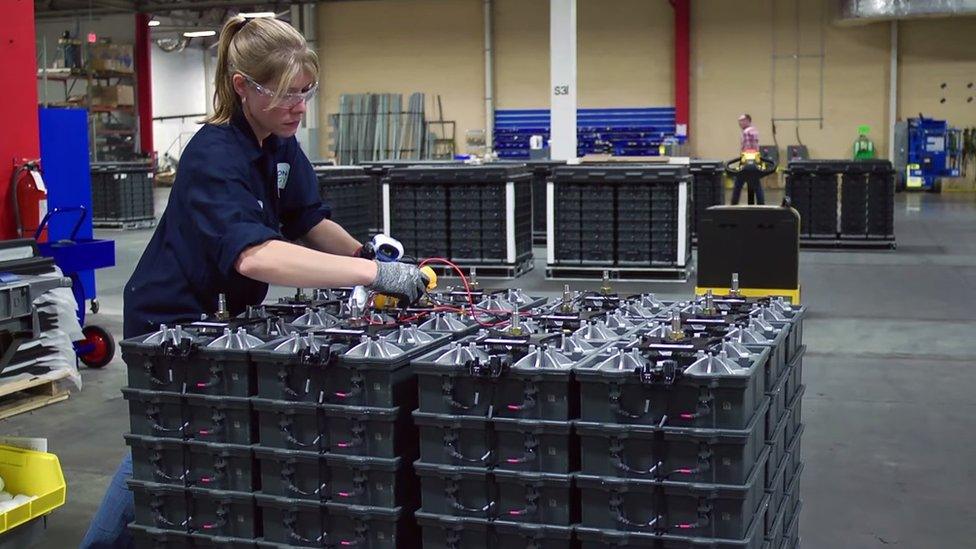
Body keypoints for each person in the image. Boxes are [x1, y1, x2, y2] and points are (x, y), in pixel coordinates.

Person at [80, 15, 428, 548]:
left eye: (307, 92)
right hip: (172, 325)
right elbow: (255, 257)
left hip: (225, 319)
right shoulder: (212, 155)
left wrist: (363, 252)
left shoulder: (278, 142)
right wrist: (374, 273)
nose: (300, 108)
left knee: (209, 444)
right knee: (161, 448)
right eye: (288, 95)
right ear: (243, 86)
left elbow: (308, 219)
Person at [731, 113, 766, 205]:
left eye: (742, 121)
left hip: (748, 157)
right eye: (739, 121)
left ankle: (733, 205)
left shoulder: (746, 132)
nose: (740, 123)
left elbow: (748, 148)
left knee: (738, 183)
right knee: (756, 183)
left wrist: (745, 162)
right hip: (756, 157)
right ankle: (761, 205)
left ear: (748, 121)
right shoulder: (754, 130)